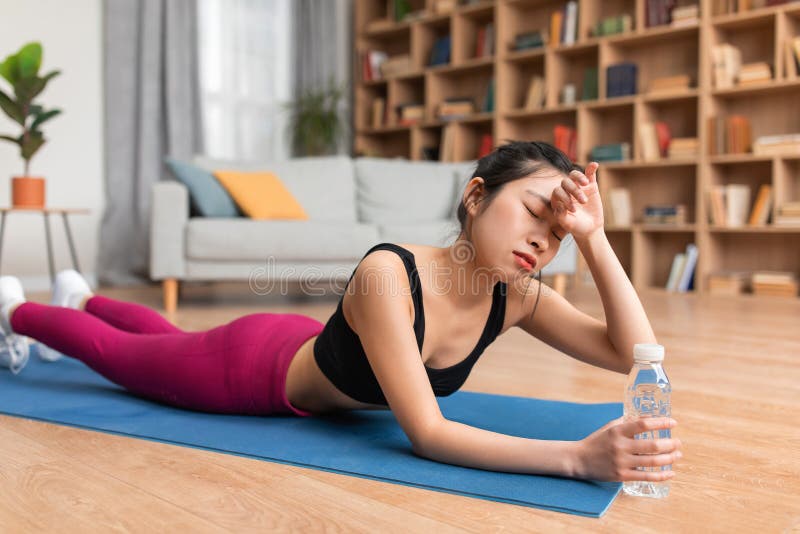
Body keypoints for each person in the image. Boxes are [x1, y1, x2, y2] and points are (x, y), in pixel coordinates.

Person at [0, 140, 682, 483]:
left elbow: (635, 355)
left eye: (558, 232)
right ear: (475, 197)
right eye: (536, 212)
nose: (544, 238)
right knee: (126, 359)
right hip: (253, 372)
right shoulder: (390, 276)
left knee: (170, 337)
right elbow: (429, 434)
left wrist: (592, 239)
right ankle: (19, 310)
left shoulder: (518, 297)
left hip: (300, 348)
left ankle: (84, 295)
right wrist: (573, 459)